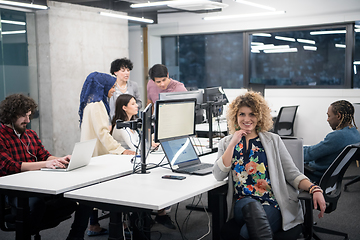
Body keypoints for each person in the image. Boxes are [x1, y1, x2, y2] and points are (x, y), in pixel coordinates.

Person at [213, 91, 326, 240]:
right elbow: (218, 174)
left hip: (272, 203)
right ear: (235, 116)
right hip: (243, 203)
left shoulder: (273, 140)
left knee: (248, 233)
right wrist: (233, 144)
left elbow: (292, 173)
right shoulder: (227, 142)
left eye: (252, 114)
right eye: (242, 114)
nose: (247, 119)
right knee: (251, 205)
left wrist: (314, 188)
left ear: (259, 116)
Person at [0, 93, 92, 240]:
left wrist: (60, 159)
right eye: (24, 116)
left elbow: (44, 155)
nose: (28, 121)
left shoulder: (30, 134)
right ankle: (24, 234)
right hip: (13, 190)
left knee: (86, 196)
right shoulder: (1, 136)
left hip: (38, 184)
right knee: (36, 205)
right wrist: (46, 164)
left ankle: (75, 236)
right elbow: (10, 166)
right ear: (11, 114)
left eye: (29, 116)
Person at [78, 72, 136, 236]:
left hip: (92, 152)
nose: (113, 90)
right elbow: (103, 133)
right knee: (101, 191)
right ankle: (118, 227)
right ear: (101, 87)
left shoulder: (90, 103)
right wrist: (121, 150)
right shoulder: (97, 105)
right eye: (111, 87)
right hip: (98, 154)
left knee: (92, 192)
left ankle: (94, 225)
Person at [304, 100, 360, 183]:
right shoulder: (354, 133)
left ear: (338, 116)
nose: (327, 119)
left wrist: (292, 148)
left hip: (315, 174)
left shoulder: (338, 136)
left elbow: (309, 155)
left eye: (329, 116)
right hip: (331, 178)